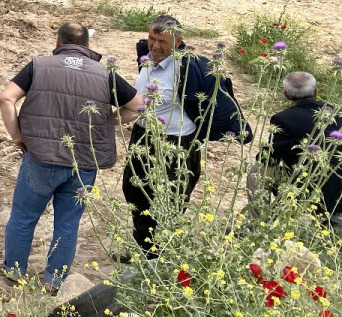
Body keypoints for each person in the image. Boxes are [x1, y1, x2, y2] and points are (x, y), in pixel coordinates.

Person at [0, 23, 144, 291]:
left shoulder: (39, 66)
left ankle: (14, 272)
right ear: (88, 45)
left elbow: (6, 98)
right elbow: (139, 106)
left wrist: (18, 136)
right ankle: (55, 281)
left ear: (58, 41)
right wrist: (108, 122)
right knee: (68, 223)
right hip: (84, 163)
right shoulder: (105, 74)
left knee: (24, 215)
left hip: (41, 159)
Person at [120, 14, 246, 259]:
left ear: (178, 42)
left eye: (162, 42)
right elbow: (139, 105)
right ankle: (144, 247)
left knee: (171, 195)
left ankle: (161, 252)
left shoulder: (187, 69)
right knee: (135, 190)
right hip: (144, 135)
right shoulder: (146, 61)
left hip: (176, 142)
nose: (155, 46)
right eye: (152, 39)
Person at [250, 72, 341, 226]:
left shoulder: (284, 119)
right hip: (337, 192)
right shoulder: (337, 114)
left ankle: (258, 225)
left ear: (286, 94)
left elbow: (267, 157)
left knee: (257, 171)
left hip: (307, 190)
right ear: (316, 91)